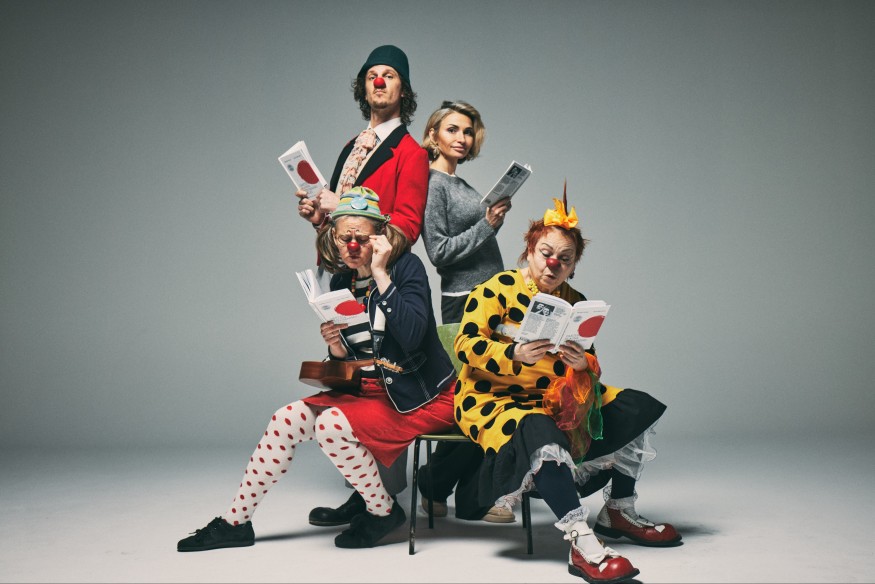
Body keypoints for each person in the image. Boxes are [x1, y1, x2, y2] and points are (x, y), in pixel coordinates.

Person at [177, 188, 455, 552]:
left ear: (380, 237)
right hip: (370, 391)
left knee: (330, 426)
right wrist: (336, 347)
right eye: (344, 238)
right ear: (334, 237)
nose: (352, 247)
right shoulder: (342, 281)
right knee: (284, 420)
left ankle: (382, 512)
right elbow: (357, 356)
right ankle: (235, 523)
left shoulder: (405, 268)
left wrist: (380, 273)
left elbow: (414, 334)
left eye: (362, 239)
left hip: (419, 397)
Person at [452, 193, 681, 583]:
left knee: (636, 406)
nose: (553, 264)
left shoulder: (576, 302)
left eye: (565, 258)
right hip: (495, 398)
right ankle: (582, 542)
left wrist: (582, 364)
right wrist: (514, 353)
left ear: (573, 266)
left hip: (556, 397)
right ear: (530, 251)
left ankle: (619, 511)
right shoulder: (497, 288)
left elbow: (591, 367)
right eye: (546, 253)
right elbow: (465, 344)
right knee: (539, 429)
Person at [295, 44, 429, 526]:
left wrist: (350, 213)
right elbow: (338, 221)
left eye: (389, 74)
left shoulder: (412, 153)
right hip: (342, 273)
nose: (379, 81)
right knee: (352, 384)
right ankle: (365, 493)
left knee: (383, 384)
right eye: (372, 74)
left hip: (384, 278)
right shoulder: (351, 146)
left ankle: (381, 501)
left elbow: (408, 224)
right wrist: (319, 217)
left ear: (403, 89)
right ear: (363, 87)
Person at [415, 100, 515, 523]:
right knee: (476, 396)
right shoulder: (433, 183)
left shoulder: (460, 182)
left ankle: (461, 492)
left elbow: (472, 239)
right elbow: (438, 252)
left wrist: (492, 221)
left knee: (494, 395)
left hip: (491, 298)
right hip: (464, 300)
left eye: (468, 131)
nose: (462, 137)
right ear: (434, 134)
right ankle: (438, 485)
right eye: (452, 129)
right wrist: (487, 225)